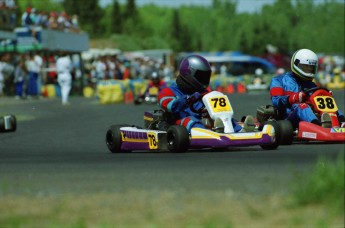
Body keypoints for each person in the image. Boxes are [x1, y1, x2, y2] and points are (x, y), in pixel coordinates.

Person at [158, 54, 254, 133]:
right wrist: (187, 99)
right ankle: (207, 134)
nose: (204, 79)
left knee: (222, 117)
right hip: (178, 123)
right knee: (191, 120)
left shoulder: (202, 92)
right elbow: (170, 106)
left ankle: (239, 131)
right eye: (201, 76)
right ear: (189, 73)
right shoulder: (168, 91)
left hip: (201, 120)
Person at [269, 48, 345, 128]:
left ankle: (341, 123)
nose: (309, 70)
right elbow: (276, 101)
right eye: (306, 67)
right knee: (302, 106)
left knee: (330, 105)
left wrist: (325, 96)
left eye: (311, 68)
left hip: (308, 115)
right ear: (297, 64)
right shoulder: (278, 80)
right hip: (287, 118)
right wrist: (293, 98)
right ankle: (317, 126)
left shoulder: (312, 85)